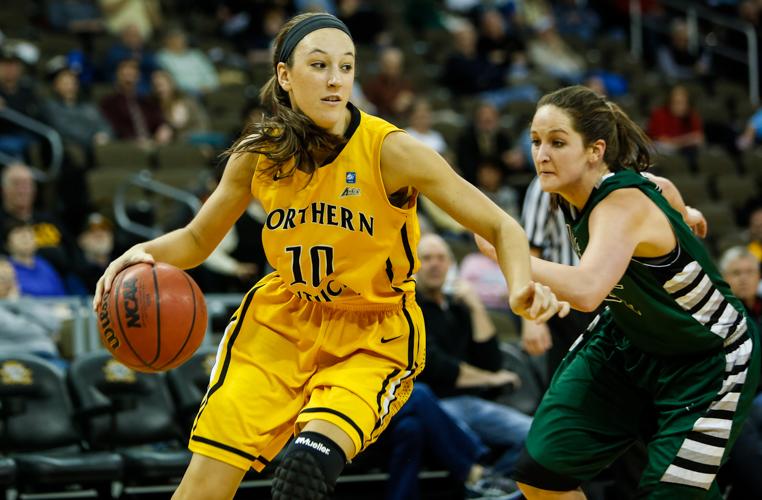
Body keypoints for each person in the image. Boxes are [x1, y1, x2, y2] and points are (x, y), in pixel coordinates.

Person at [92, 13, 565, 500]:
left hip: (371, 333)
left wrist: (519, 286)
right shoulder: (259, 153)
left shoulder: (391, 150)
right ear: (284, 76)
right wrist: (139, 253)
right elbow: (196, 240)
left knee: (303, 474)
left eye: (346, 65)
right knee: (202, 486)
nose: (336, 78)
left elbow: (500, 225)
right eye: (319, 65)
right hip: (281, 323)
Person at [477, 85, 760, 499]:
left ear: (595, 150)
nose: (541, 154)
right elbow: (661, 185)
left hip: (707, 358)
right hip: (629, 338)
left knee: (670, 493)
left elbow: (589, 290)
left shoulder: (620, 204)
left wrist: (510, 254)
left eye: (557, 143)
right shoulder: (582, 191)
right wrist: (687, 215)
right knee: (540, 471)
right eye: (536, 142)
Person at [416, 233, 534, 478]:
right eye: (426, 258)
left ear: (450, 265)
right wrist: (490, 380)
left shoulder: (458, 306)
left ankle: (490, 487)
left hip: (472, 403)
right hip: (435, 405)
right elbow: (437, 367)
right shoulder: (409, 309)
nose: (435, 264)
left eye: (440, 258)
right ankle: (485, 484)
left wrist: (476, 306)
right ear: (414, 266)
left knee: (535, 437)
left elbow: (491, 361)